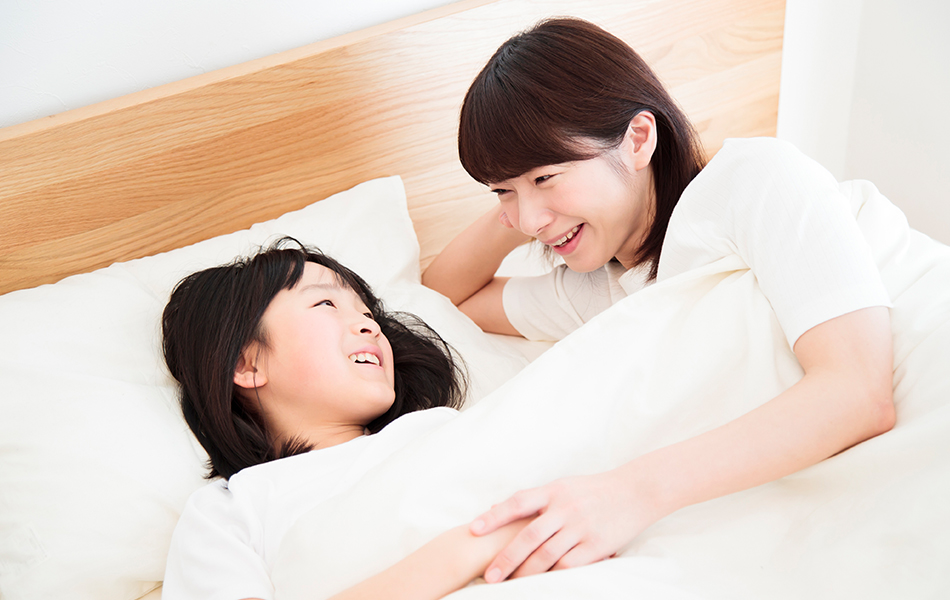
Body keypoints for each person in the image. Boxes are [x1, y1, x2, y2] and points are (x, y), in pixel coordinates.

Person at [422, 18, 896, 584]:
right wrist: (527, 194)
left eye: (547, 176)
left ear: (638, 139)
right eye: (502, 192)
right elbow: (443, 297)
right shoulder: (602, 288)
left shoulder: (754, 178)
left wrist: (630, 493)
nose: (526, 220)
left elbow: (859, 393)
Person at [161, 238, 529, 600]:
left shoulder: (441, 428)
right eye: (326, 303)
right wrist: (469, 550)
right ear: (248, 364)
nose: (372, 327)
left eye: (368, 314)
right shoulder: (232, 511)